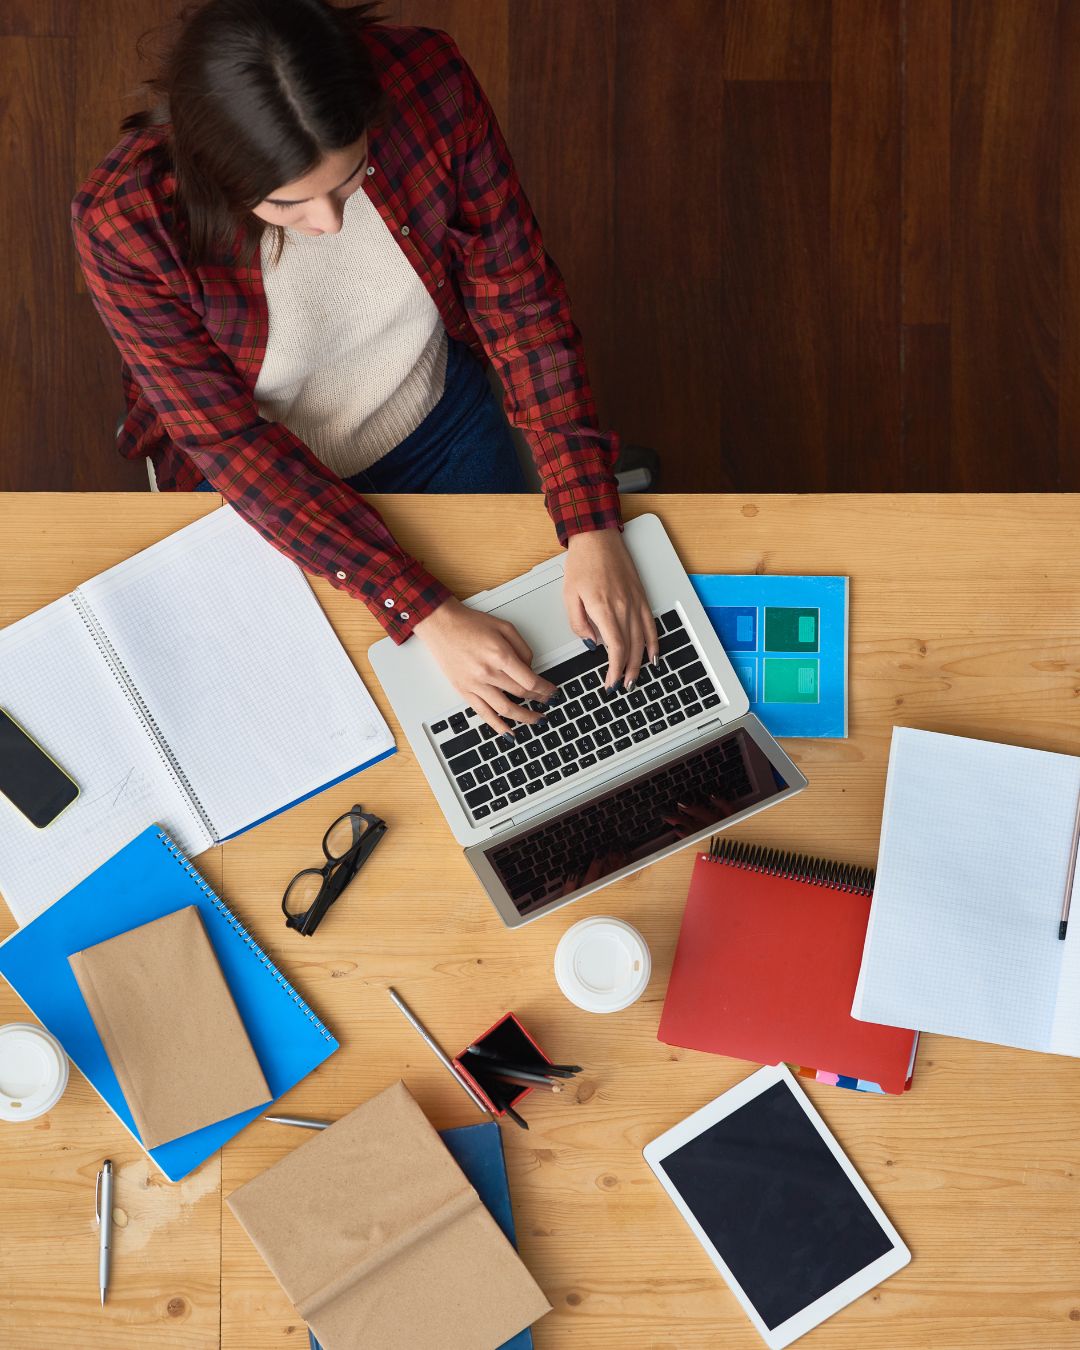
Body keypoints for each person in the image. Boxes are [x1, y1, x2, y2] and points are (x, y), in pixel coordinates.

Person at [72, 0, 657, 735]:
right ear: (216, 171)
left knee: (529, 680)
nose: (330, 224)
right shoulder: (127, 222)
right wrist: (419, 608)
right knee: (317, 719)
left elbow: (521, 303)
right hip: (265, 479)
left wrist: (589, 517)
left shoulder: (429, 82)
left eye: (351, 179)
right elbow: (232, 447)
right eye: (287, 204)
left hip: (438, 420)